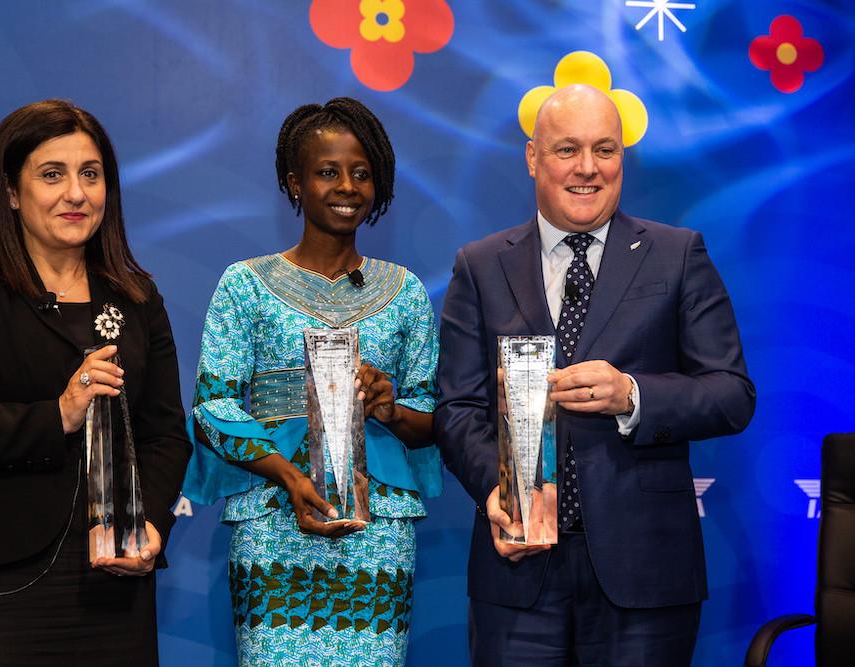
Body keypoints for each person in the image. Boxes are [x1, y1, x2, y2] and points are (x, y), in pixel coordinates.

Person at [434, 84, 755, 665]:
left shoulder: (678, 254)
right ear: (534, 157)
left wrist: (632, 395)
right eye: (567, 150)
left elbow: (732, 394)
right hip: (519, 575)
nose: (588, 168)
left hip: (646, 574)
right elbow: (457, 408)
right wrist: (498, 488)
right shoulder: (480, 266)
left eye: (605, 150)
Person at [0, 99, 192, 665]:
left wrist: (149, 527)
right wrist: (56, 415)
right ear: (10, 191)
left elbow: (165, 434)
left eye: (91, 174)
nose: (76, 194)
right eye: (52, 175)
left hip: (116, 583)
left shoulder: (137, 297)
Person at [181, 97, 441, 666]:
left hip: (377, 534)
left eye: (361, 173)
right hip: (274, 520)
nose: (347, 186)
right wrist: (290, 478)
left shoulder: (407, 293)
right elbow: (211, 408)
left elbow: (431, 423)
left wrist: (388, 409)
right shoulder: (244, 285)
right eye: (328, 172)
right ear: (294, 183)